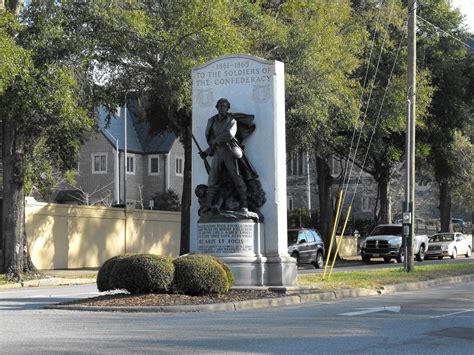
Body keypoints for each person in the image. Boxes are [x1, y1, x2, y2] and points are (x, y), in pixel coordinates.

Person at [200, 98, 256, 213]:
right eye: (220, 106)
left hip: (230, 150)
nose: (222, 108)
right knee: (213, 178)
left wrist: (216, 141)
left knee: (236, 177)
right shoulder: (212, 121)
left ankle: (244, 205)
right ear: (217, 107)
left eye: (225, 106)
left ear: (228, 108)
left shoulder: (232, 120)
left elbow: (229, 134)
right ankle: (208, 205)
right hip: (218, 152)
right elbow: (211, 140)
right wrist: (207, 152)